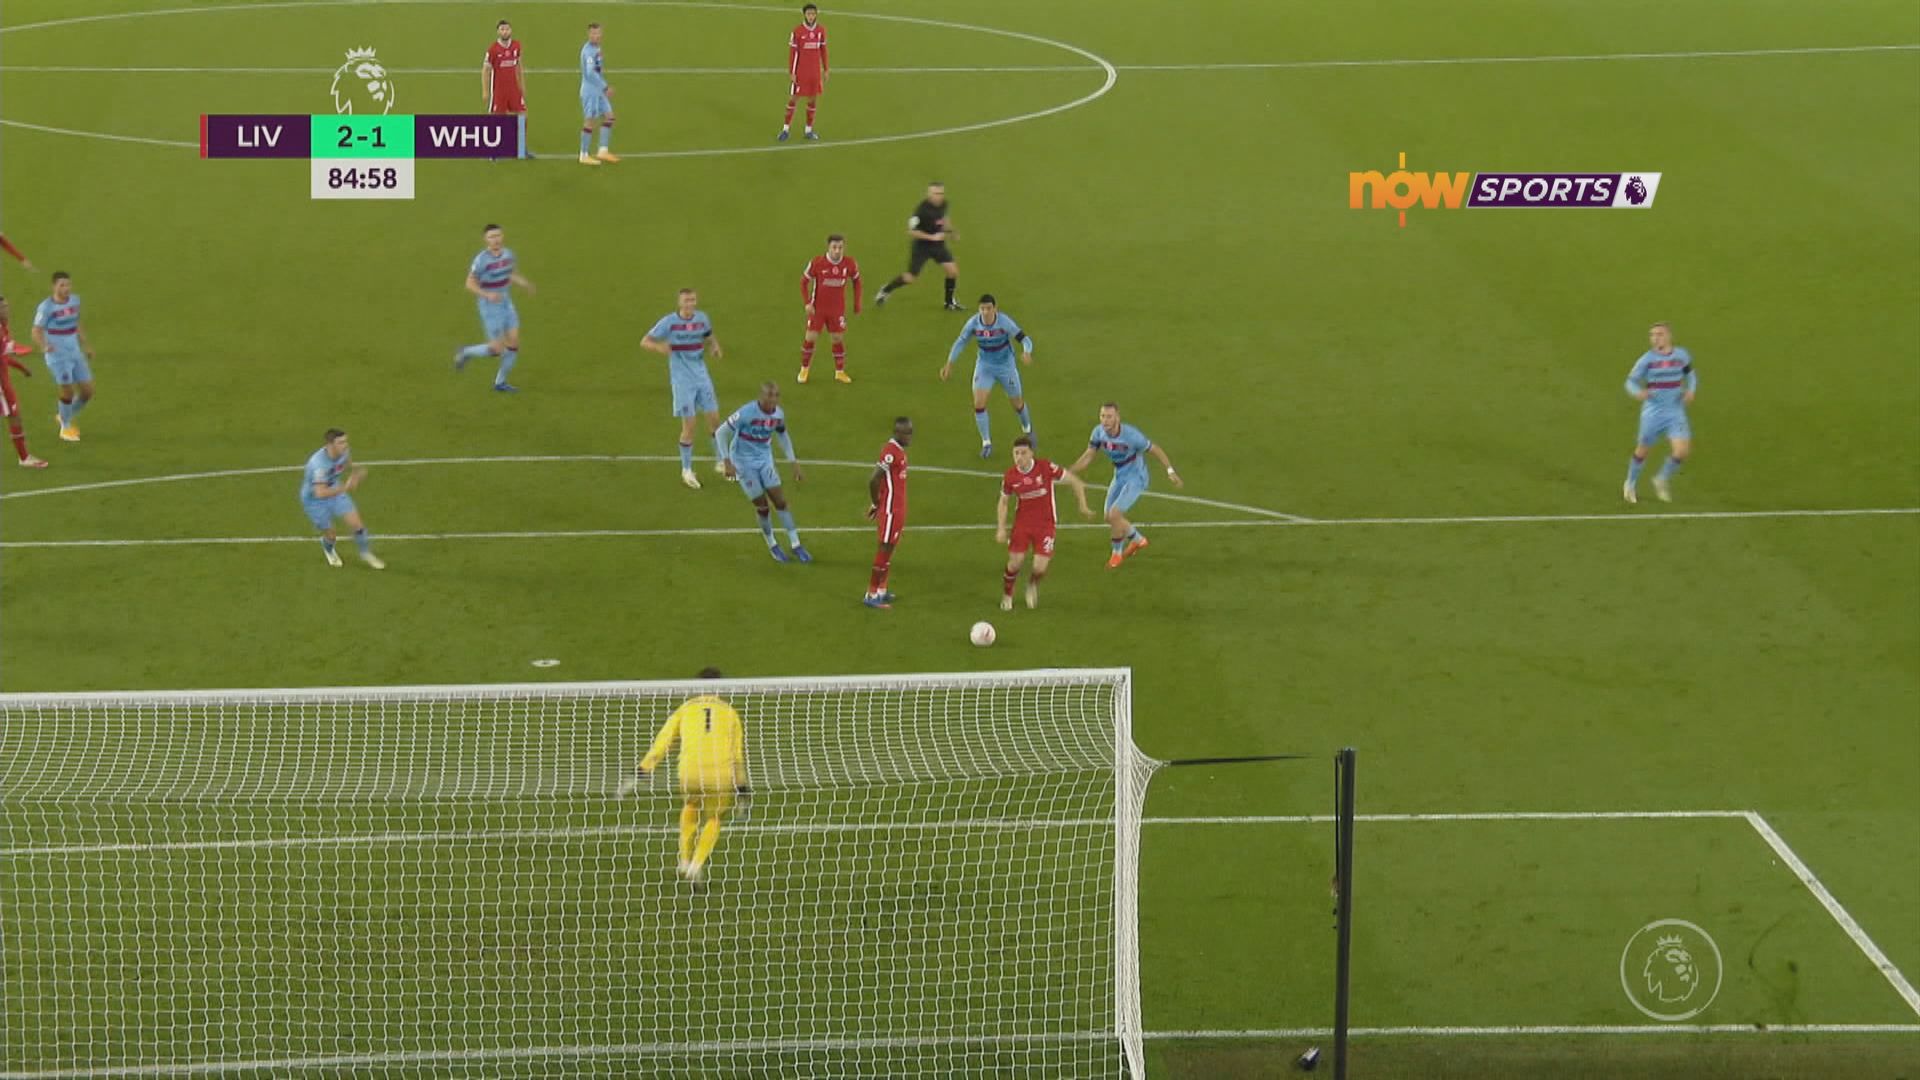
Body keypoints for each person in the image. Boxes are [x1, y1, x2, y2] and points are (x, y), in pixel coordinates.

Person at [621, 668, 750, 887]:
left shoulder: (685, 709)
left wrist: (643, 769)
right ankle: (696, 865)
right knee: (714, 818)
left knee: (690, 805)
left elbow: (663, 742)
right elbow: (736, 756)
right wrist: (742, 789)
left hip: (689, 771)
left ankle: (684, 860)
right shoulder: (730, 713)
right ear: (720, 688)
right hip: (719, 774)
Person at [1068, 402, 1182, 569]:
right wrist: (1068, 472)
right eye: (1102, 416)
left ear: (1117, 418)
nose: (1105, 420)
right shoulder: (1098, 432)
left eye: (1109, 417)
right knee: (1108, 517)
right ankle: (1138, 540)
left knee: (1114, 515)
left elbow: (1155, 449)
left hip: (1136, 477)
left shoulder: (1132, 436)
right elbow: (1088, 456)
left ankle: (1117, 554)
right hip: (1120, 475)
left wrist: (1170, 471)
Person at [716, 382, 812, 563]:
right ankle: (772, 544)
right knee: (762, 506)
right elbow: (721, 432)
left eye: (775, 396)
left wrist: (794, 462)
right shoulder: (746, 413)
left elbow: (783, 435)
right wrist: (727, 462)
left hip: (764, 460)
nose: (772, 400)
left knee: (780, 501)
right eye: (769, 396)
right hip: (743, 462)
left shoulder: (778, 415)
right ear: (761, 397)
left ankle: (796, 544)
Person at [642, 289, 727, 490]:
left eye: (692, 300)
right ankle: (686, 470)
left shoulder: (702, 318)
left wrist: (714, 346)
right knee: (690, 425)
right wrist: (659, 347)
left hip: (702, 376)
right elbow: (645, 341)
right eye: (686, 300)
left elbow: (708, 335)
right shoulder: (669, 322)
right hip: (682, 381)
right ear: (679, 303)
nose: (690, 303)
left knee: (715, 420)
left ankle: (720, 462)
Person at [996, 435, 1092, 609]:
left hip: (1046, 525)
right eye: (1016, 453)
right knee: (1015, 562)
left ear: (1031, 453)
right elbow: (1003, 502)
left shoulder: (1045, 467)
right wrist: (1001, 528)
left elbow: (1076, 482)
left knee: (1040, 568)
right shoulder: (1010, 476)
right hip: (1022, 525)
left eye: (1023, 453)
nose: (1019, 457)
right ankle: (1007, 594)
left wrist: (1083, 506)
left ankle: (1032, 585)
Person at [940, 294, 1033, 458]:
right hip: (985, 367)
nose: (985, 312)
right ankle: (986, 443)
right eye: (982, 309)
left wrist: (1027, 352)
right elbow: (961, 342)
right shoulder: (973, 323)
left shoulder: (1004, 322)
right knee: (979, 404)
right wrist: (949, 363)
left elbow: (1024, 339)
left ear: (995, 309)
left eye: (988, 308)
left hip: (1006, 367)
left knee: (1018, 404)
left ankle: (1028, 430)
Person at [454, 224, 536, 392]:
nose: (495, 239)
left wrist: (524, 283)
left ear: (502, 236)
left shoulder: (508, 254)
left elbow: (510, 273)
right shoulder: (481, 260)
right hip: (489, 307)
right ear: (486, 239)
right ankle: (465, 351)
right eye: (491, 237)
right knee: (496, 349)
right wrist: (487, 294)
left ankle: (500, 383)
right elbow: (469, 283)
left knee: (514, 342)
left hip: (506, 301)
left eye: (498, 235)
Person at [1622, 321, 1696, 504]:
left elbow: (1691, 375)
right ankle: (1630, 483)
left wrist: (1691, 390)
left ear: (1669, 336)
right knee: (1643, 451)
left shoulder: (1681, 355)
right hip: (1653, 413)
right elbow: (1630, 381)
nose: (1655, 338)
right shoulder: (1646, 360)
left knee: (1682, 451)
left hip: (1675, 411)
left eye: (1659, 334)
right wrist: (1638, 392)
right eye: (1652, 335)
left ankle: (1661, 478)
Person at [299, 428, 385, 570]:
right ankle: (328, 549)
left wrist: (356, 474)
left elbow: (348, 464)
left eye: (345, 441)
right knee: (331, 535)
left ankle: (365, 553)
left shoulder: (344, 452)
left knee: (357, 525)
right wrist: (346, 487)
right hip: (314, 501)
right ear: (330, 445)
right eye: (340, 442)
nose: (345, 445)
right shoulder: (318, 465)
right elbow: (320, 493)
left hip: (335, 489)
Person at [873, 182, 960, 310]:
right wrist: (932, 237)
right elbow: (912, 232)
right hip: (922, 247)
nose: (939, 196)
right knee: (910, 277)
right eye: (936, 193)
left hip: (938, 245)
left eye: (941, 193)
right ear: (929, 194)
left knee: (952, 271)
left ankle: (949, 302)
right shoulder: (921, 211)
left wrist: (951, 231)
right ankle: (886, 290)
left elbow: (944, 218)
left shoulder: (944, 204)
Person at [31, 272, 93, 443]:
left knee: (87, 392)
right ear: (54, 287)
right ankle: (65, 427)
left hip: (74, 352)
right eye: (62, 285)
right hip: (58, 355)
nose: (66, 288)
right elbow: (36, 330)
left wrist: (86, 345)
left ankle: (64, 414)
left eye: (68, 285)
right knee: (68, 391)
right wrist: (44, 346)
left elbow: (76, 323)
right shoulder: (46, 307)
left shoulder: (75, 301)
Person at [797, 234, 861, 384]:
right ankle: (804, 369)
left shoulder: (849, 263)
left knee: (837, 338)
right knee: (811, 337)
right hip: (818, 309)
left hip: (837, 309)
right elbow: (803, 282)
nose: (837, 251)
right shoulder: (817, 263)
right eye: (834, 247)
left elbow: (857, 281)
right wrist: (807, 303)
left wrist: (857, 303)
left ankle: (840, 372)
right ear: (828, 247)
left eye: (840, 247)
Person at [864, 416, 913, 608]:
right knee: (884, 549)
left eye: (911, 432)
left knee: (890, 549)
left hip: (898, 508)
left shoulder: (899, 451)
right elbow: (873, 479)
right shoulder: (890, 452)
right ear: (897, 432)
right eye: (907, 433)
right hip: (891, 509)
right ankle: (871, 594)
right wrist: (876, 502)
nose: (910, 436)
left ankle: (881, 590)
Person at [0, 295, 48, 467]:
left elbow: (4, 356)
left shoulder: (3, 327)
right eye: (2, 308)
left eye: (7, 306)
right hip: (1, 385)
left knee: (14, 416)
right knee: (14, 416)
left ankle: (24, 457)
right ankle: (24, 458)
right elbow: (10, 350)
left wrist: (22, 368)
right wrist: (26, 351)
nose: (7, 310)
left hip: (4, 380)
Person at [779, 4, 829, 142]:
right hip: (801, 73)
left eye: (813, 14)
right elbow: (793, 53)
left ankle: (808, 130)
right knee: (793, 99)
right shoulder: (797, 31)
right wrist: (792, 72)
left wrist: (826, 69)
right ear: (804, 15)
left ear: (816, 14)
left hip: (815, 73)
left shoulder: (821, 30)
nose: (811, 16)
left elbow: (823, 51)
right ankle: (785, 129)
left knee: (812, 100)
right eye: (808, 14)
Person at [484, 20, 533, 160]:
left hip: (514, 90)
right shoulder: (493, 49)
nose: (505, 32)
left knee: (523, 116)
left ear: (511, 30)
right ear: (498, 32)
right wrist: (485, 91)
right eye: (502, 29)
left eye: (507, 29)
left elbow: (519, 66)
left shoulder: (516, 46)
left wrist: (522, 84)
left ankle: (521, 148)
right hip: (499, 91)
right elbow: (485, 70)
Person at [579, 22, 619, 165]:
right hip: (590, 91)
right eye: (593, 33)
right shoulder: (588, 51)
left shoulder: (597, 48)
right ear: (588, 34)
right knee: (590, 121)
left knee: (609, 117)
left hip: (599, 91)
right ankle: (583, 155)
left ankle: (603, 151)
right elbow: (590, 73)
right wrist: (605, 87)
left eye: (598, 33)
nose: (596, 36)